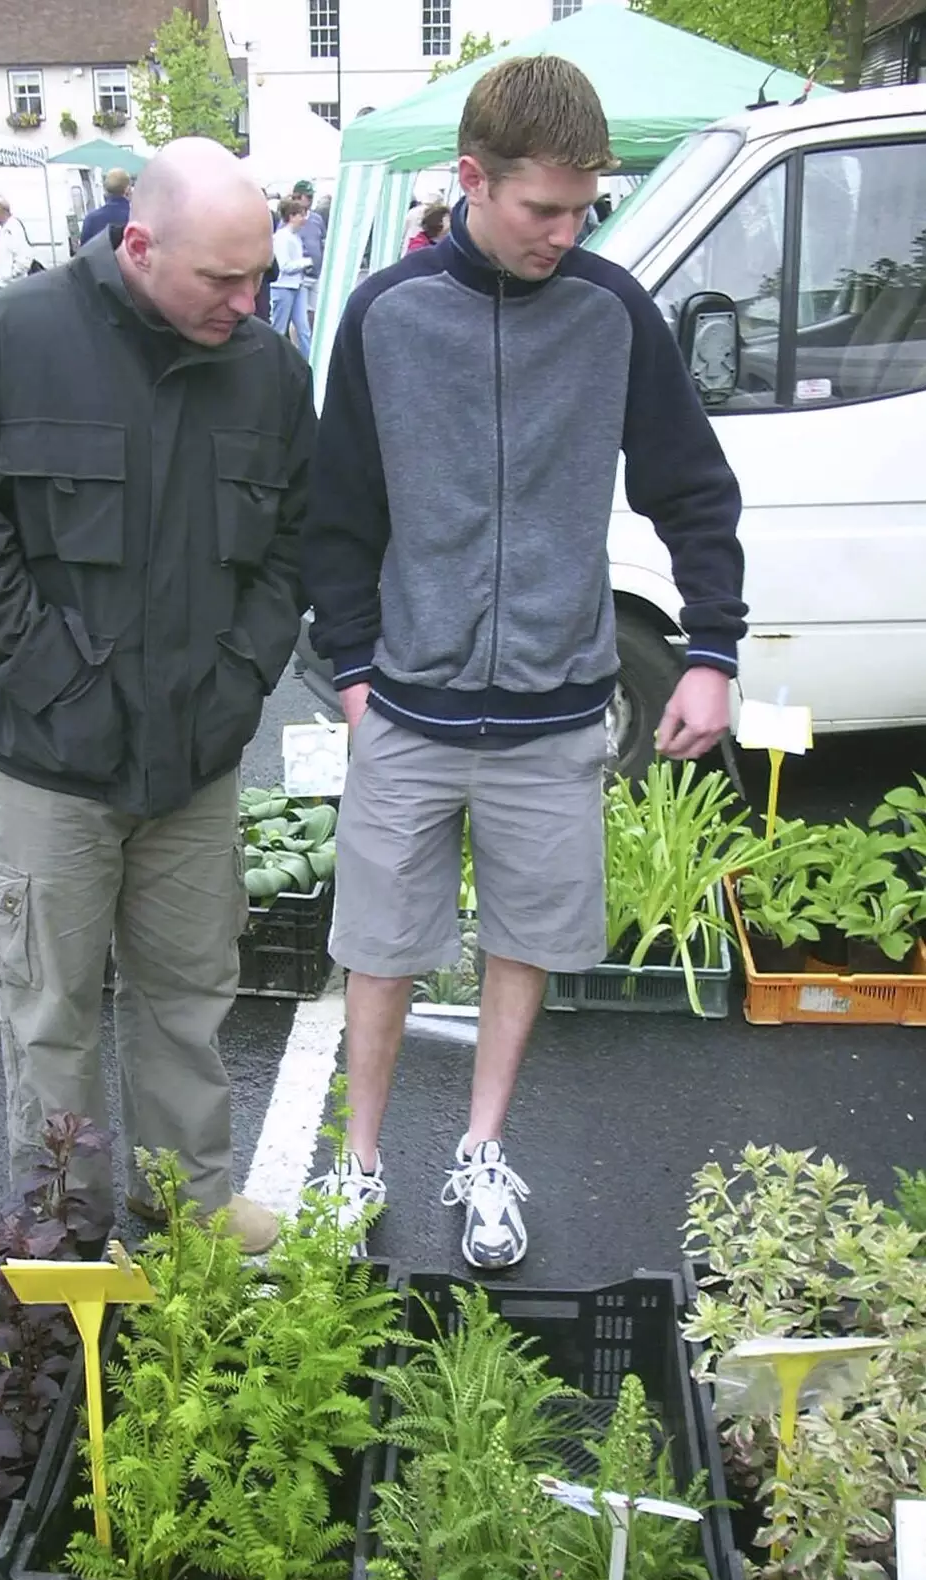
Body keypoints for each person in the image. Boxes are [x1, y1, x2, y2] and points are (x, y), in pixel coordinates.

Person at [303, 56, 746, 1269]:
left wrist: (708, 648)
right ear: (470, 181)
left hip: (554, 716)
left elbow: (691, 488)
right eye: (542, 208)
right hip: (407, 704)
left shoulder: (610, 315)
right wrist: (352, 669)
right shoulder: (386, 316)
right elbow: (336, 512)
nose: (567, 231)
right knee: (379, 949)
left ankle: (482, 1149)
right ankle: (359, 1159)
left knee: (522, 944)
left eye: (582, 208)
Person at [0, 138, 315, 1251]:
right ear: (137, 244)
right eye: (221, 278)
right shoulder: (4, 343)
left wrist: (237, 682)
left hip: (194, 761)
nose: (248, 299)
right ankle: (64, 1236)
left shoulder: (267, 371)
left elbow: (297, 545)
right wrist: (58, 680)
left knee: (189, 1004)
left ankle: (188, 1215)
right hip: (47, 764)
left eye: (258, 274)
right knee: (52, 1017)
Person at [271, 199, 312, 358]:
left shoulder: (295, 237)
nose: (304, 219)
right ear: (291, 216)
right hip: (283, 287)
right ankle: (274, 362)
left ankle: (308, 361)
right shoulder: (281, 238)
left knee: (304, 329)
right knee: (279, 329)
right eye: (301, 215)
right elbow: (285, 266)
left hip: (297, 286)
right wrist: (307, 262)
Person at [290, 179, 326, 327]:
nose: (310, 200)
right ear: (297, 197)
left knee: (315, 312)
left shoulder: (317, 218)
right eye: (307, 197)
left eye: (311, 197)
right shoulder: (290, 219)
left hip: (316, 274)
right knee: (300, 318)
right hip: (300, 275)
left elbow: (323, 240)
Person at [79, 168, 133, 247]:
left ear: (105, 190)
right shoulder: (135, 217)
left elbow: (83, 252)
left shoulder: (91, 219)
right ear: (127, 190)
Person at [0, 197, 32, 287]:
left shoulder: (14, 229)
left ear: (1, 212)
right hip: (2, 282)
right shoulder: (2, 229)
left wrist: (11, 274)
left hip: (13, 284)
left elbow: (24, 257)